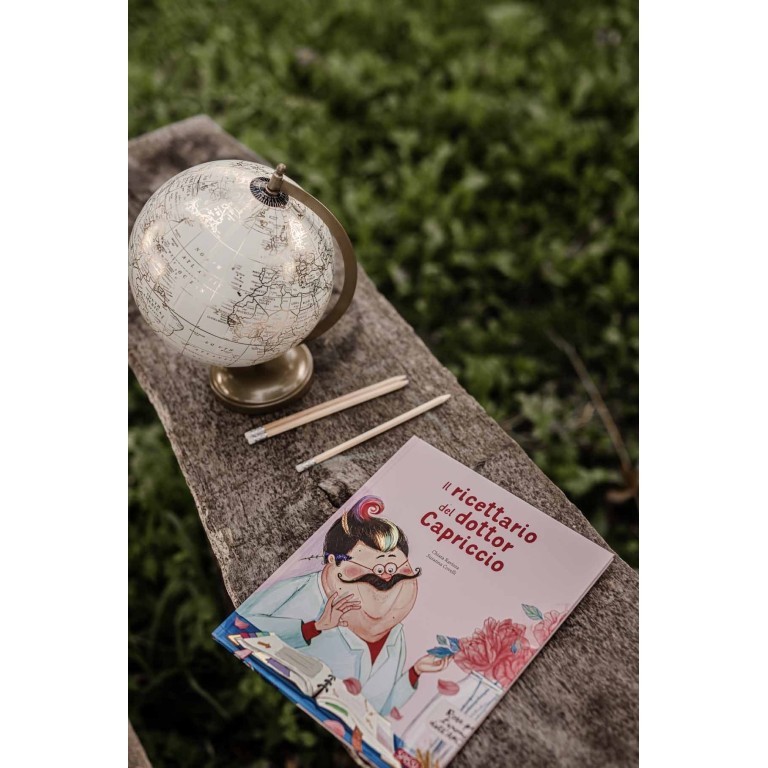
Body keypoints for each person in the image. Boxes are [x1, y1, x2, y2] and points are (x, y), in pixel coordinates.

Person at [238, 495, 449, 716]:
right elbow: (241, 627)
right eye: (375, 568)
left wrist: (415, 672)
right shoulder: (299, 591)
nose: (385, 577)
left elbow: (378, 707)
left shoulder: (395, 635)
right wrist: (314, 627)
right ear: (334, 561)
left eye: (392, 568)